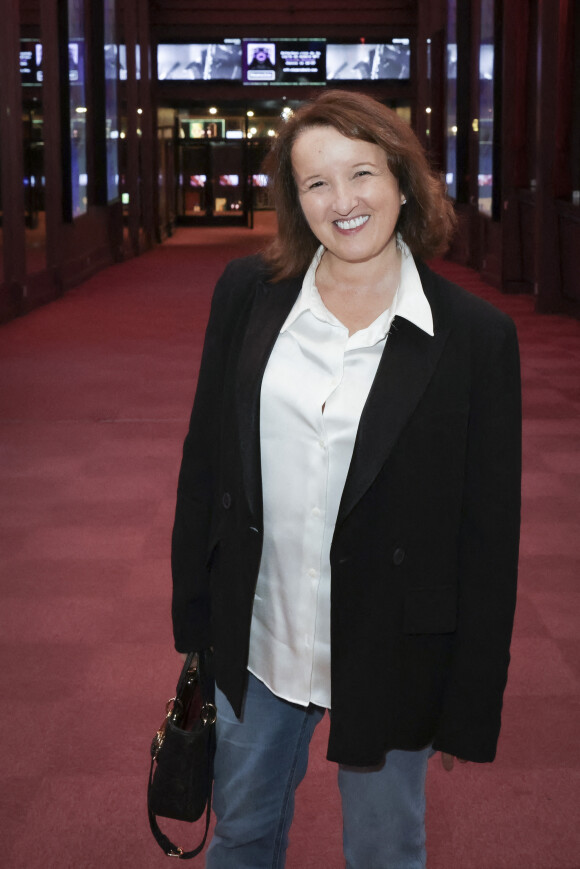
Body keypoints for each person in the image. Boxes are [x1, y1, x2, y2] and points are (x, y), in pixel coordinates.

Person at [171, 89, 521, 868]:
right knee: (241, 833)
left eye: (361, 173)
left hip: (391, 642)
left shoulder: (473, 338)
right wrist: (195, 616)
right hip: (262, 633)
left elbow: (490, 535)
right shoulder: (248, 296)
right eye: (315, 184)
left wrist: (470, 701)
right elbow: (206, 462)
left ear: (402, 179)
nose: (342, 201)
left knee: (385, 849)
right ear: (297, 203)